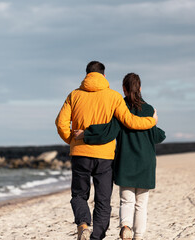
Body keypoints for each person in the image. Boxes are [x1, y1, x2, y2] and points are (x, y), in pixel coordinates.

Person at [55, 61, 158, 240]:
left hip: (80, 154)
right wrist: (151, 121)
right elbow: (130, 121)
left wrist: (71, 139)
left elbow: (61, 123)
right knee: (103, 201)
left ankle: (83, 224)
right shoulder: (114, 96)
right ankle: (96, 237)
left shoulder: (74, 95)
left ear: (87, 75)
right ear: (104, 76)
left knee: (79, 195)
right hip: (105, 157)